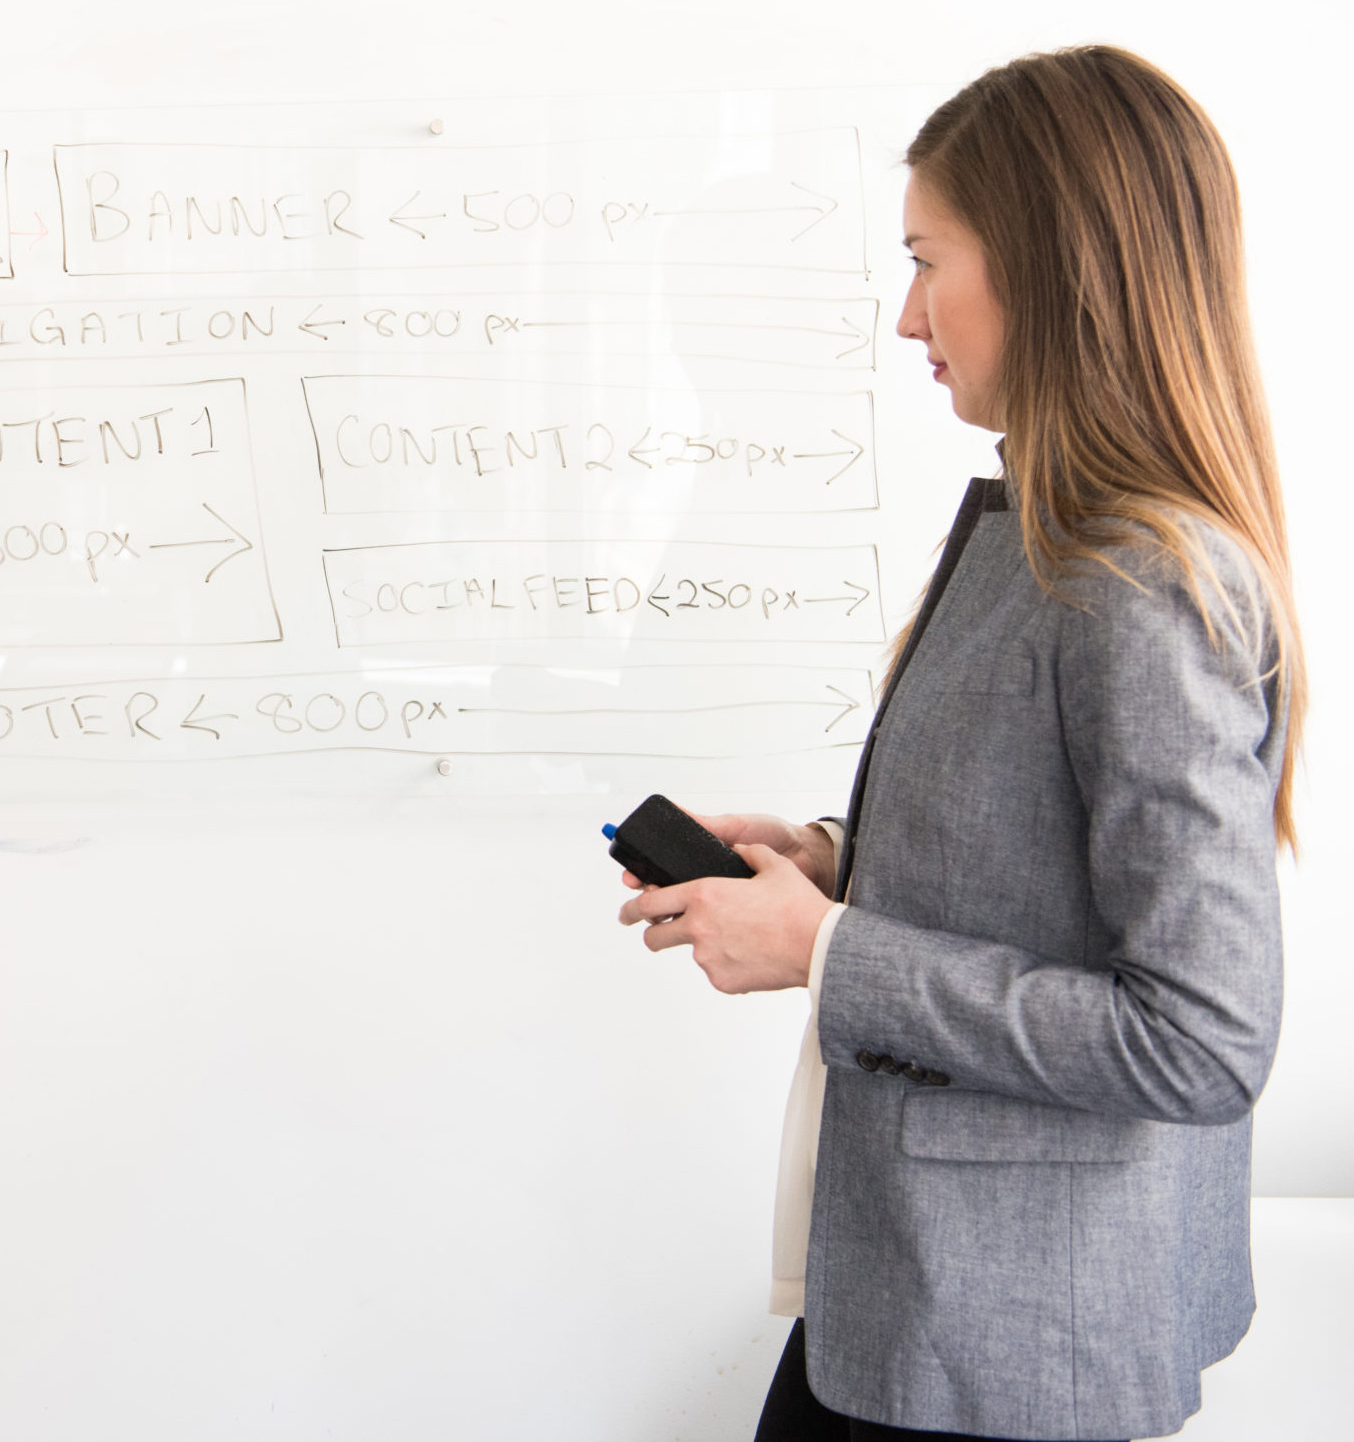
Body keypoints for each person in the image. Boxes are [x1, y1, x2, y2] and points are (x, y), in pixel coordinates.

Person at [616, 47, 1303, 1442]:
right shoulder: (1032, 532)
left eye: (932, 260)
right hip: (922, 1294)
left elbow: (1202, 1036)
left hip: (1010, 1340)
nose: (907, 314)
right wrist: (830, 863)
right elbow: (1044, 851)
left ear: (1057, 269)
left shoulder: (1142, 582)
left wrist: (823, 947)